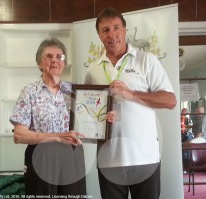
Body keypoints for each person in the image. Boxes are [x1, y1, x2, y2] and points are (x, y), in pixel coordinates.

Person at [84, 7, 177, 199]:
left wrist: (131, 94)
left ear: (125, 30)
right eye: (105, 30)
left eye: (116, 27)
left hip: (145, 158)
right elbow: (89, 114)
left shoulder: (147, 60)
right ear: (99, 36)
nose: (112, 34)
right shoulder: (93, 69)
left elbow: (170, 101)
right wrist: (101, 118)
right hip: (108, 160)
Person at [9, 38, 117, 196]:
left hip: (71, 155)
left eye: (59, 57)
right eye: (49, 56)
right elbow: (19, 135)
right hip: (41, 156)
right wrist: (57, 137)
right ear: (39, 63)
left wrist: (106, 118)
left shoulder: (75, 90)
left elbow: (91, 123)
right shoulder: (29, 92)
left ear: (64, 64)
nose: (54, 60)